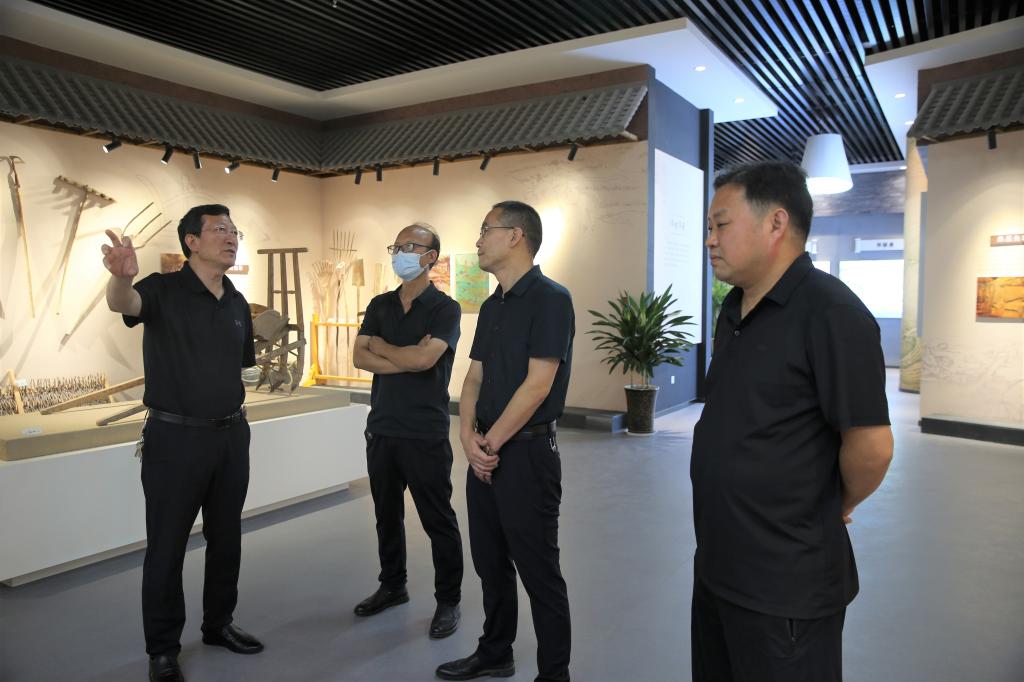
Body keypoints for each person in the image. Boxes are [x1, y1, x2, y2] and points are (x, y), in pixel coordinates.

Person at [691, 161, 894, 681]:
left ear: (776, 223)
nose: (710, 239)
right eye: (709, 227)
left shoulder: (832, 312)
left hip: (785, 586)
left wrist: (834, 502)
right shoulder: (734, 310)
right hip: (718, 567)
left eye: (721, 224)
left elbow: (872, 447)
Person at [102, 205, 264, 682]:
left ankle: (219, 623)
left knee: (227, 537)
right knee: (167, 545)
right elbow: (124, 303)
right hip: (175, 438)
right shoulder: (162, 289)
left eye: (234, 231)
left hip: (231, 436)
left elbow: (242, 368)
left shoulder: (236, 302)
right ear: (191, 241)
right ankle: (162, 649)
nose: (231, 238)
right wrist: (120, 278)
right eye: (219, 230)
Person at [436, 201, 573, 682]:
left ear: (516, 235)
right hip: (486, 452)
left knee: (539, 571)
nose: (477, 241)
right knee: (490, 563)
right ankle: (496, 651)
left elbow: (538, 386)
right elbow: (474, 376)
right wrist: (465, 435)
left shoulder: (551, 300)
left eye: (485, 230)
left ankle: (554, 674)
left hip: (527, 456)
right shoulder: (493, 304)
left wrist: (487, 446)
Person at [352, 222, 464, 639]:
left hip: (424, 430)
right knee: (386, 515)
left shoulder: (444, 309)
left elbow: (425, 361)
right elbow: (359, 357)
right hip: (382, 427)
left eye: (410, 247)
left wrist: (382, 347)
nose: (400, 253)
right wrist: (408, 356)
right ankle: (392, 585)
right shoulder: (380, 304)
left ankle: (448, 599)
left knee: (437, 519)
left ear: (431, 257)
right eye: (396, 246)